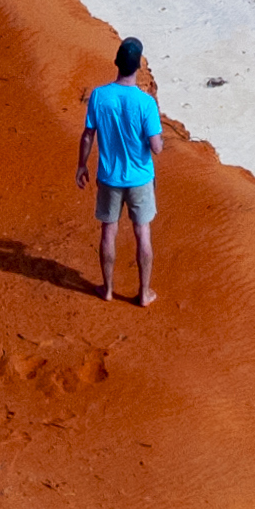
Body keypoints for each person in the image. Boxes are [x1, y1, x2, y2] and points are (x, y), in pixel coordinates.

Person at [78, 34, 164, 307]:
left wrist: (81, 164)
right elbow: (156, 147)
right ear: (138, 66)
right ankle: (144, 292)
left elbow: (88, 135)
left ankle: (108, 289)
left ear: (117, 62)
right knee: (143, 233)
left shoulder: (99, 96)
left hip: (109, 177)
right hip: (140, 178)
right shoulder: (146, 103)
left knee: (108, 232)